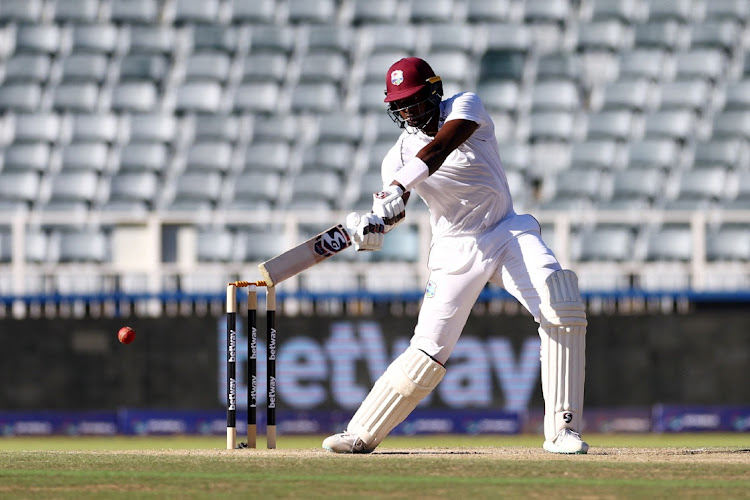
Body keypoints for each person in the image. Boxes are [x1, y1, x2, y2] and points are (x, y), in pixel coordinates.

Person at [326, 57, 588, 454]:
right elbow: (397, 206)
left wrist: (396, 186)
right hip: (454, 249)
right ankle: (361, 432)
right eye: (402, 105)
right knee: (428, 349)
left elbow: (440, 149)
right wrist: (377, 226)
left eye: (415, 100)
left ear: (435, 91)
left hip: (506, 232)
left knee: (561, 303)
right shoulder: (394, 159)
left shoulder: (467, 107)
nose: (411, 111)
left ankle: (563, 430)